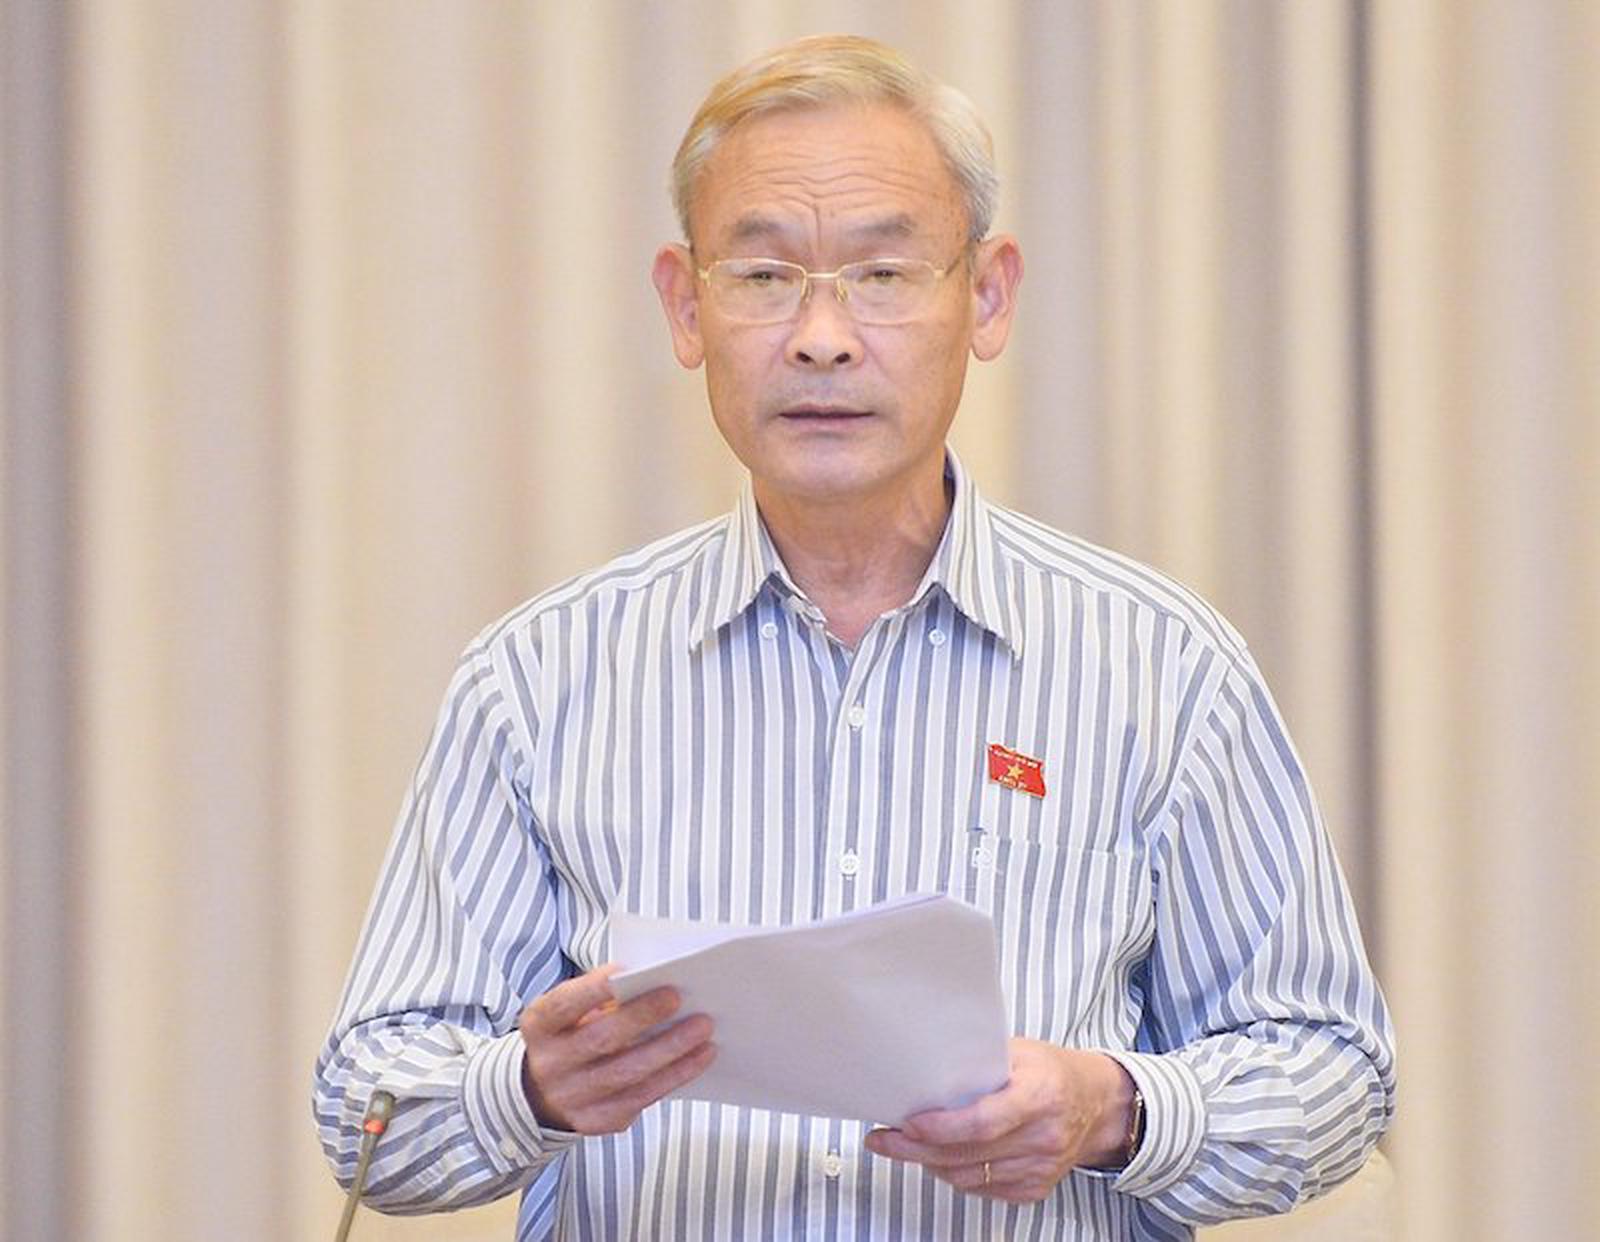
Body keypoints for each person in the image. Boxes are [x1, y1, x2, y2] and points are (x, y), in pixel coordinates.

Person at [314, 34, 1395, 1242]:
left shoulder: (1162, 668)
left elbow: (1334, 1073)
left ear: (986, 297)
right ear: (685, 306)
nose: (821, 337)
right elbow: (368, 1109)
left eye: (882, 274)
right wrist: (524, 1091)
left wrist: (1114, 1108)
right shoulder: (539, 678)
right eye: (763, 275)